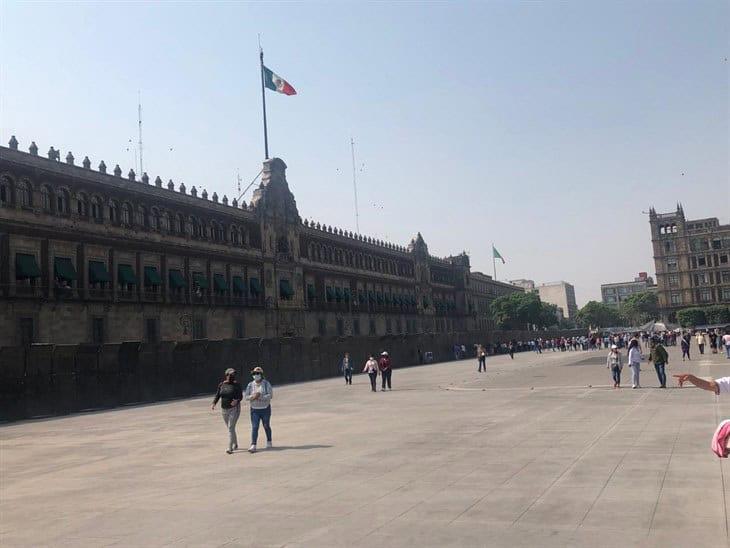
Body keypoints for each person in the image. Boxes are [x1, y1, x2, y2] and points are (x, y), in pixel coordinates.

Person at [211, 368, 243, 455]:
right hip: (224, 409)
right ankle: (235, 444)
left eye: (233, 375)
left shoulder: (237, 385)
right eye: (231, 374)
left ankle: (230, 448)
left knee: (230, 428)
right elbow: (218, 394)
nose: (232, 376)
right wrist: (214, 403)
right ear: (227, 375)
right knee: (230, 428)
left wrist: (236, 400)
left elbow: (240, 396)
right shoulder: (221, 385)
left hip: (234, 409)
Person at [244, 366, 273, 453]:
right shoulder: (250, 384)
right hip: (254, 410)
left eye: (257, 373)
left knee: (266, 425)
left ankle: (269, 440)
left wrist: (260, 396)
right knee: (255, 427)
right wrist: (253, 397)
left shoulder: (266, 383)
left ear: (261, 374)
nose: (255, 375)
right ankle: (253, 444)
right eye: (254, 374)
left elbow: (270, 395)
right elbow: (246, 397)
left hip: (265, 409)